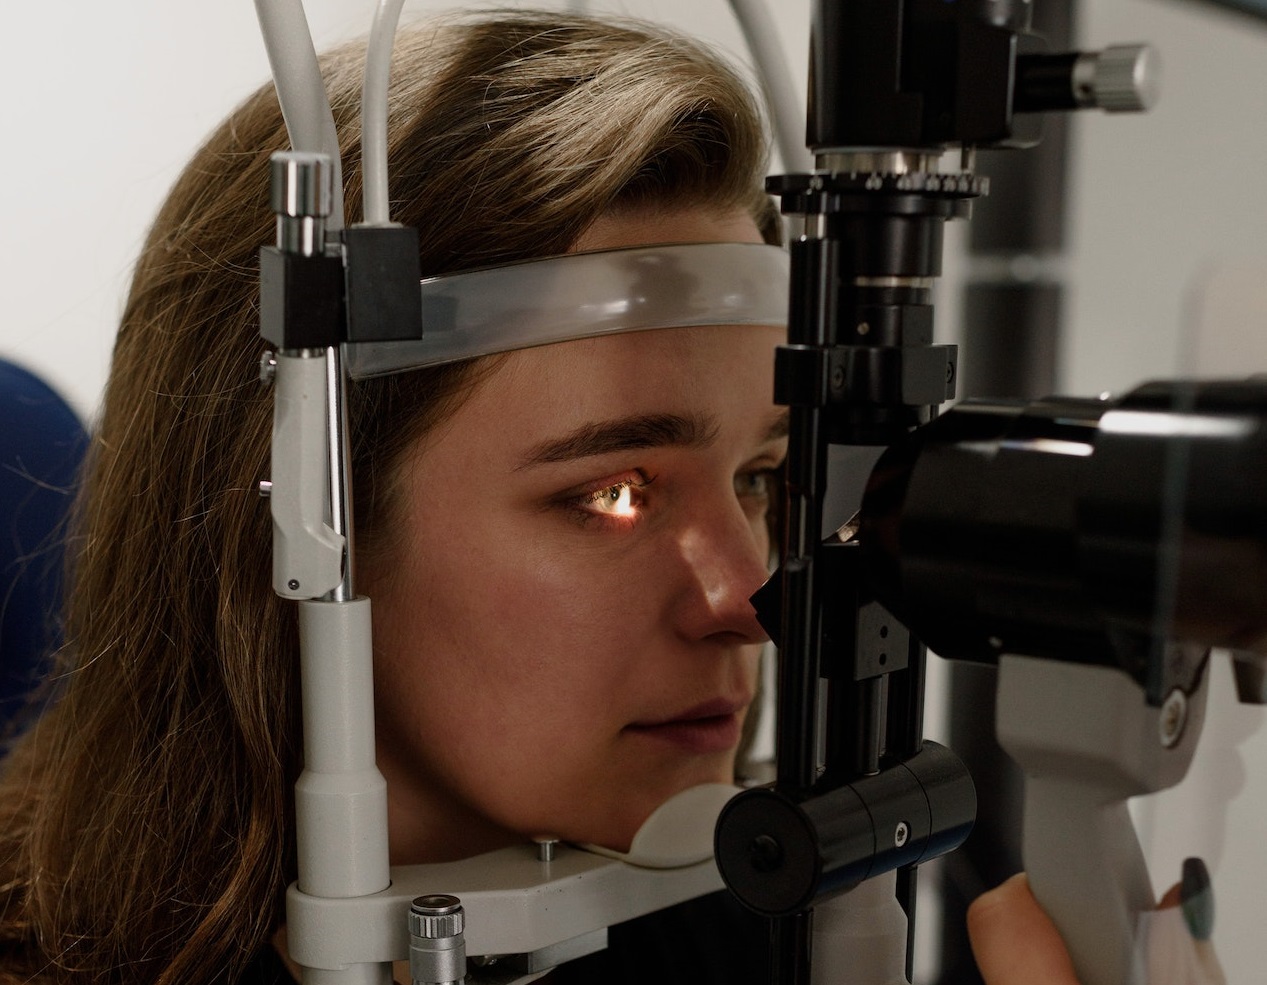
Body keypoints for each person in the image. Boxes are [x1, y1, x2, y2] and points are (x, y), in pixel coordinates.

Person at [0, 10, 1079, 985]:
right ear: (297, 526)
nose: (748, 591)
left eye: (759, 475)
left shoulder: (729, 918)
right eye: (613, 492)